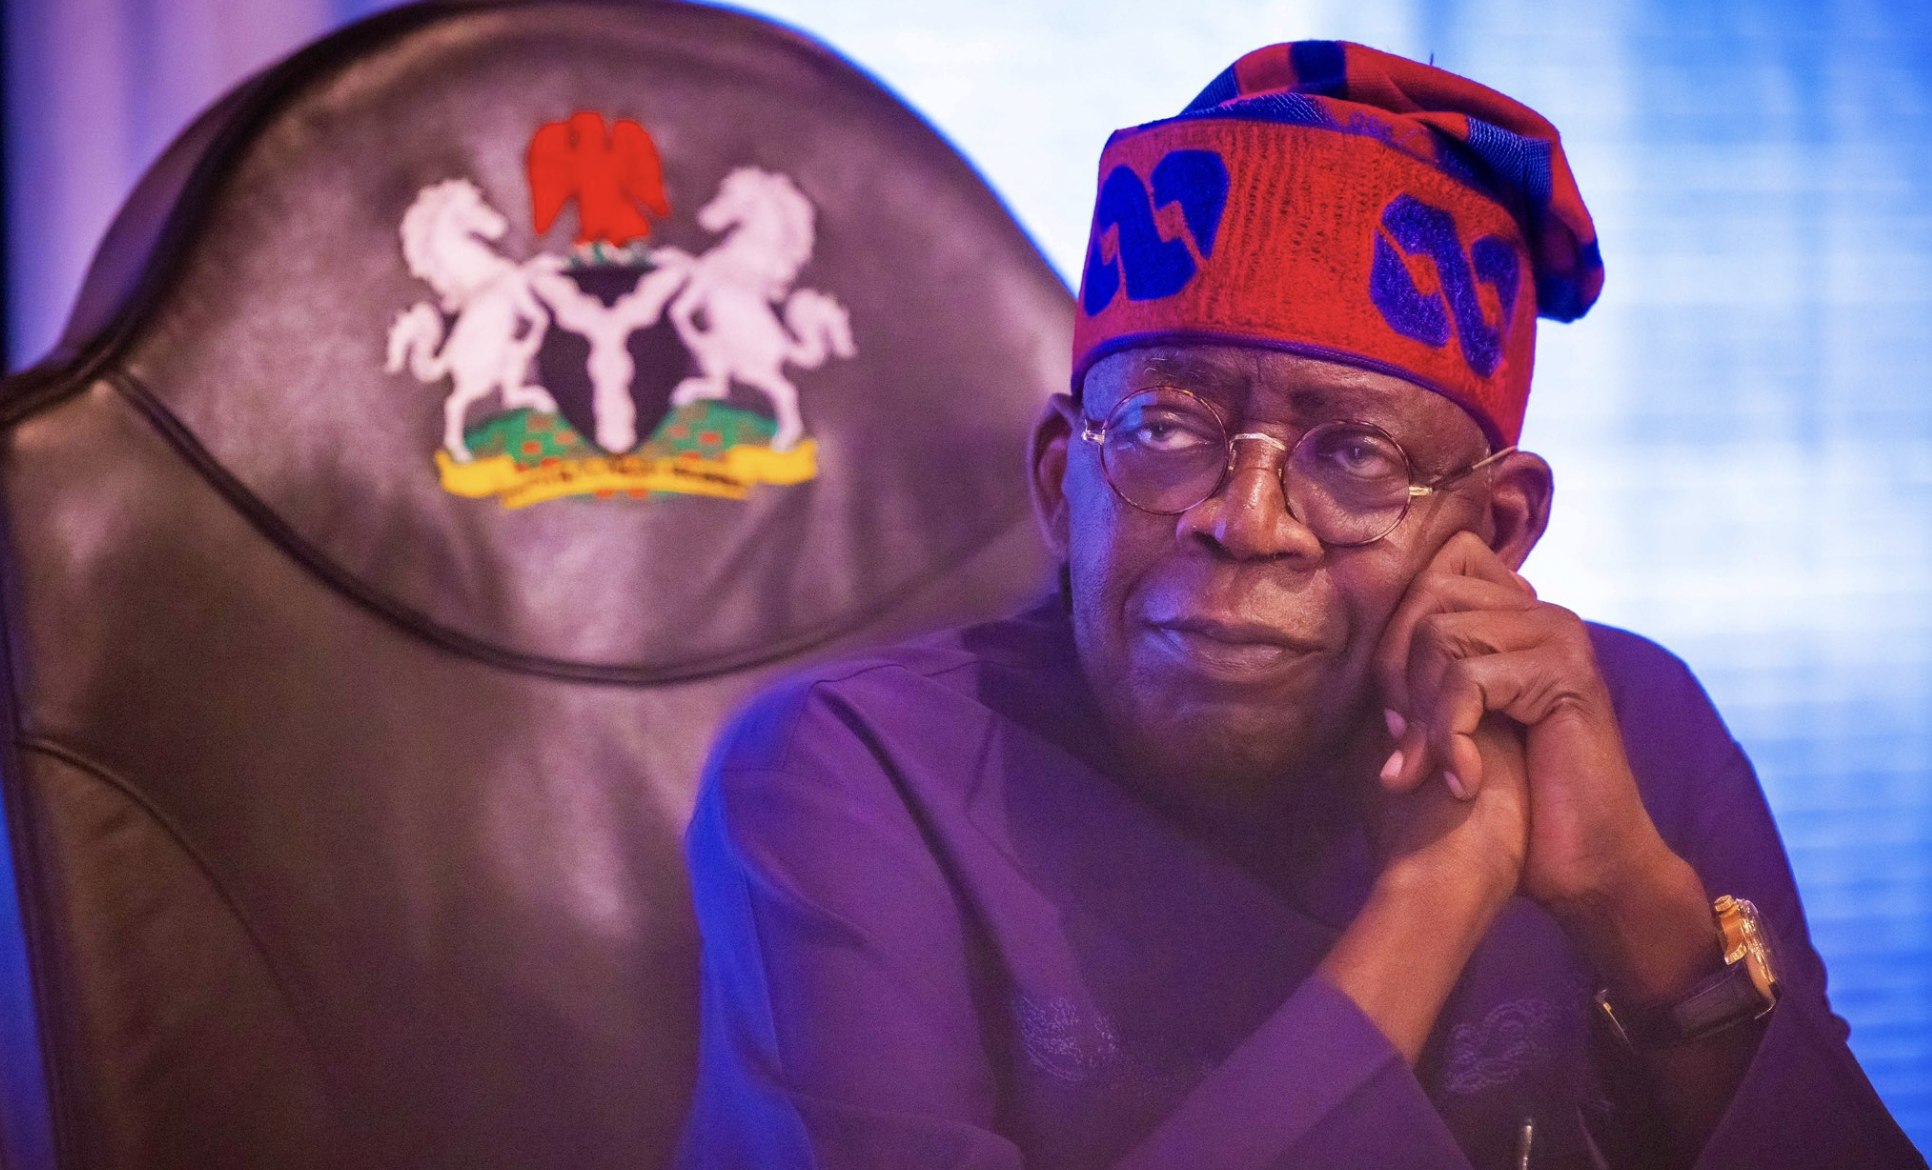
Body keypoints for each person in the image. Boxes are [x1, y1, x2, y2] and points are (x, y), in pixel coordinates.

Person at [674, 41, 1924, 1170]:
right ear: (1064, 482)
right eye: (1166, 429)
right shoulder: (852, 774)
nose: (1248, 520)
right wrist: (1434, 899)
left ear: (1495, 531)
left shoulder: (1622, 732)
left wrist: (1634, 904)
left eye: (1356, 455)